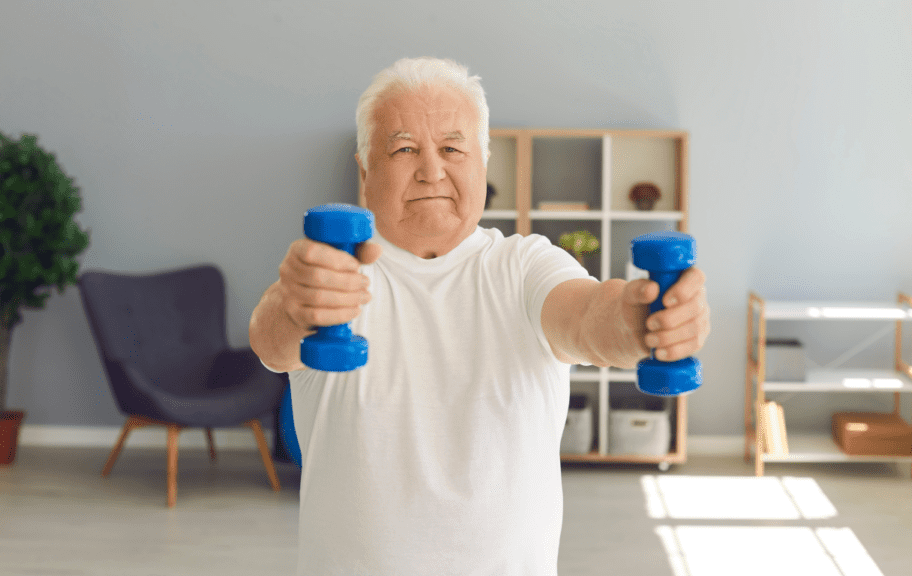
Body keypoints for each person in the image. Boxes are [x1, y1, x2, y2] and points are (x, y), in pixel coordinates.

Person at [249, 57, 710, 575]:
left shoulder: (526, 264)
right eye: (404, 149)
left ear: (483, 164)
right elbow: (271, 339)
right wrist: (293, 305)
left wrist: (643, 319)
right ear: (364, 170)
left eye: (452, 148)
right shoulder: (329, 272)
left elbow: (588, 316)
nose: (431, 169)